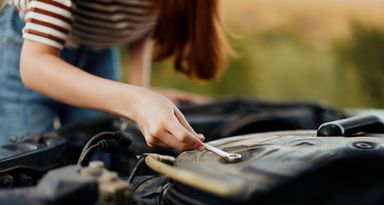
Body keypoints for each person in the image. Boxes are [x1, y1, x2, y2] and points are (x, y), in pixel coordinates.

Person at [0, 0, 230, 151]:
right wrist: (137, 101)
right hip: (27, 46)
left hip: (99, 48)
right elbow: (35, 66)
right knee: (24, 164)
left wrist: (143, 91)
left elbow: (138, 24)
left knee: (95, 160)